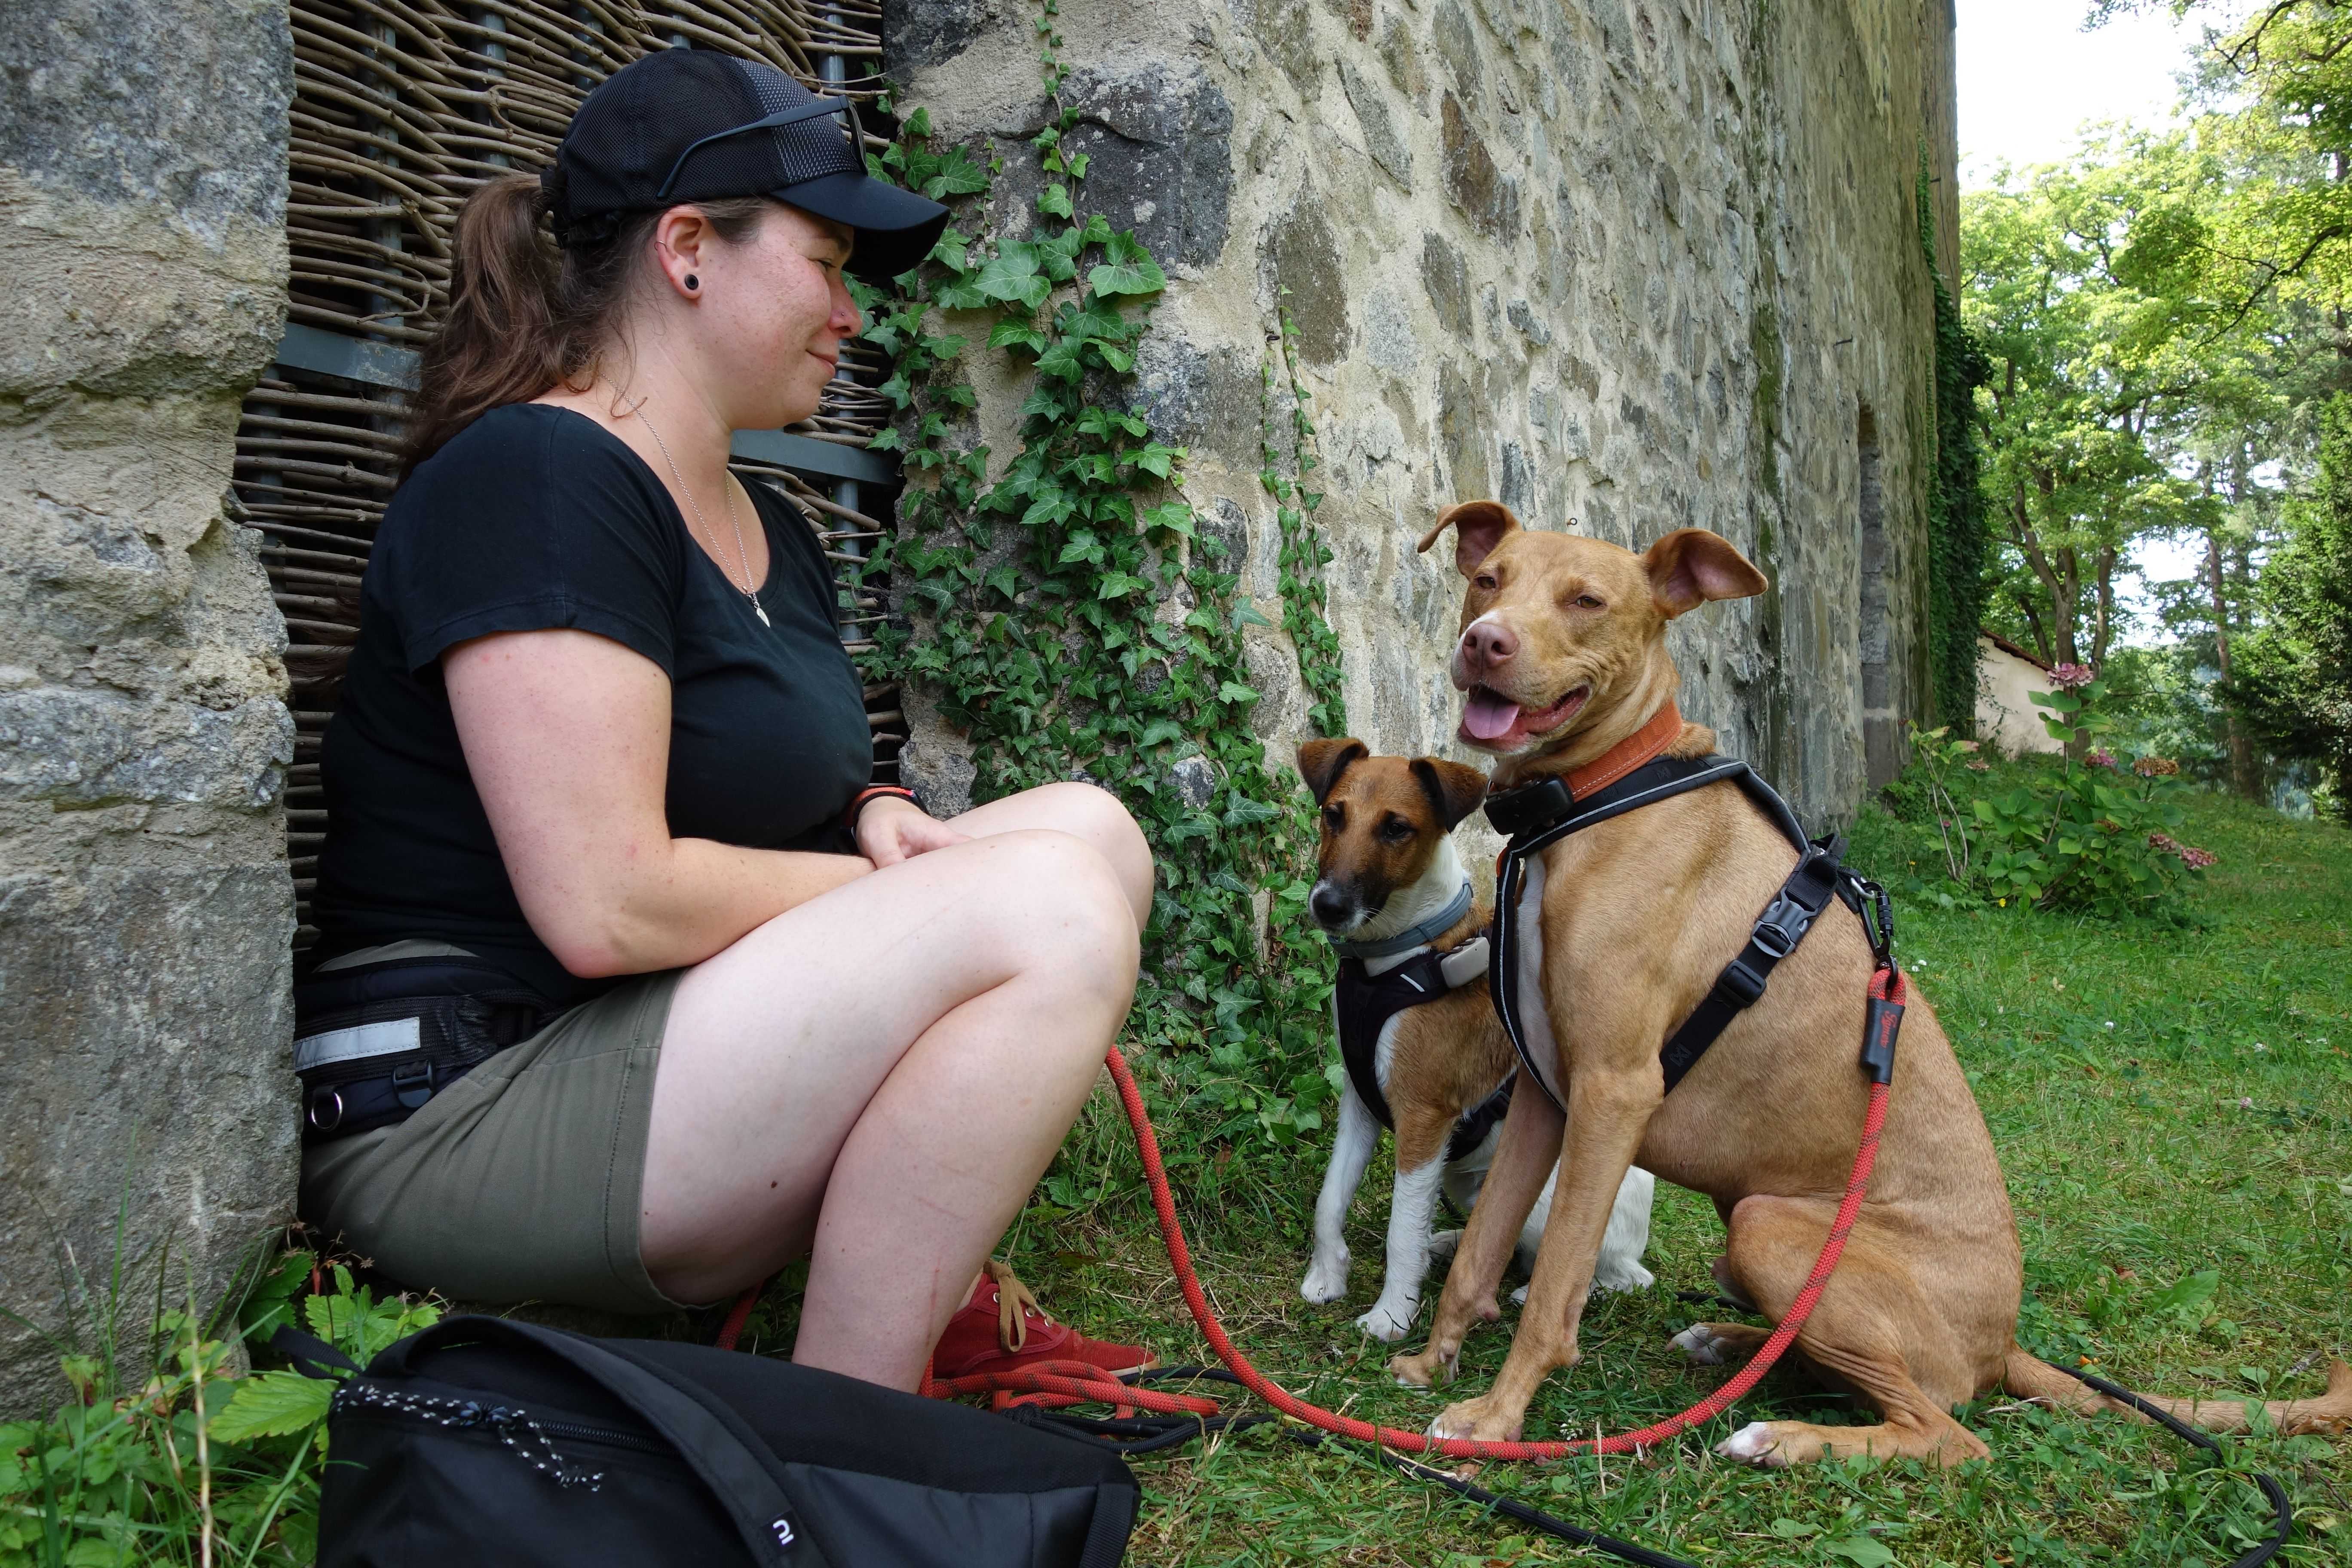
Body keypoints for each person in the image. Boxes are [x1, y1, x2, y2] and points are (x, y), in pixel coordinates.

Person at [297, 49, 1154, 1393]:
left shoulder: (773, 531)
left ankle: (898, 1306)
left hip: (651, 1054)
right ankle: (840, 1441)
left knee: (1091, 833)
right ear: (689, 250)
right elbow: (609, 904)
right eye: (826, 262)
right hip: (464, 1100)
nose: (851, 314)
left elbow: (777, 801)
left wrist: (871, 815)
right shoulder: (539, 475)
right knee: (1042, 905)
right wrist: (887, 878)